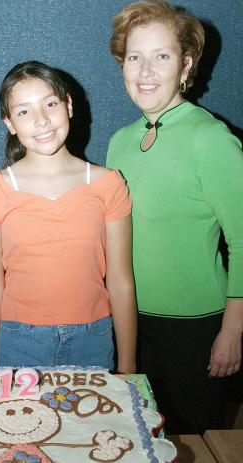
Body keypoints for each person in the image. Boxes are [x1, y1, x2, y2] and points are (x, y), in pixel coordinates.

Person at [106, 0, 243, 434]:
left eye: (160, 56)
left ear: (185, 66)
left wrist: (232, 331)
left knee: (191, 443)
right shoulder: (119, 143)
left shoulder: (212, 139)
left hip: (198, 331)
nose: (145, 71)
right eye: (134, 57)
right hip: (129, 324)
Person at [0, 61, 137, 372]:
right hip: (18, 341)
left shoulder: (108, 184)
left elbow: (120, 282)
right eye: (24, 111)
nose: (41, 121)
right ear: (9, 123)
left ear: (69, 105)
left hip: (93, 339)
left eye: (50, 103)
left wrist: (129, 368)